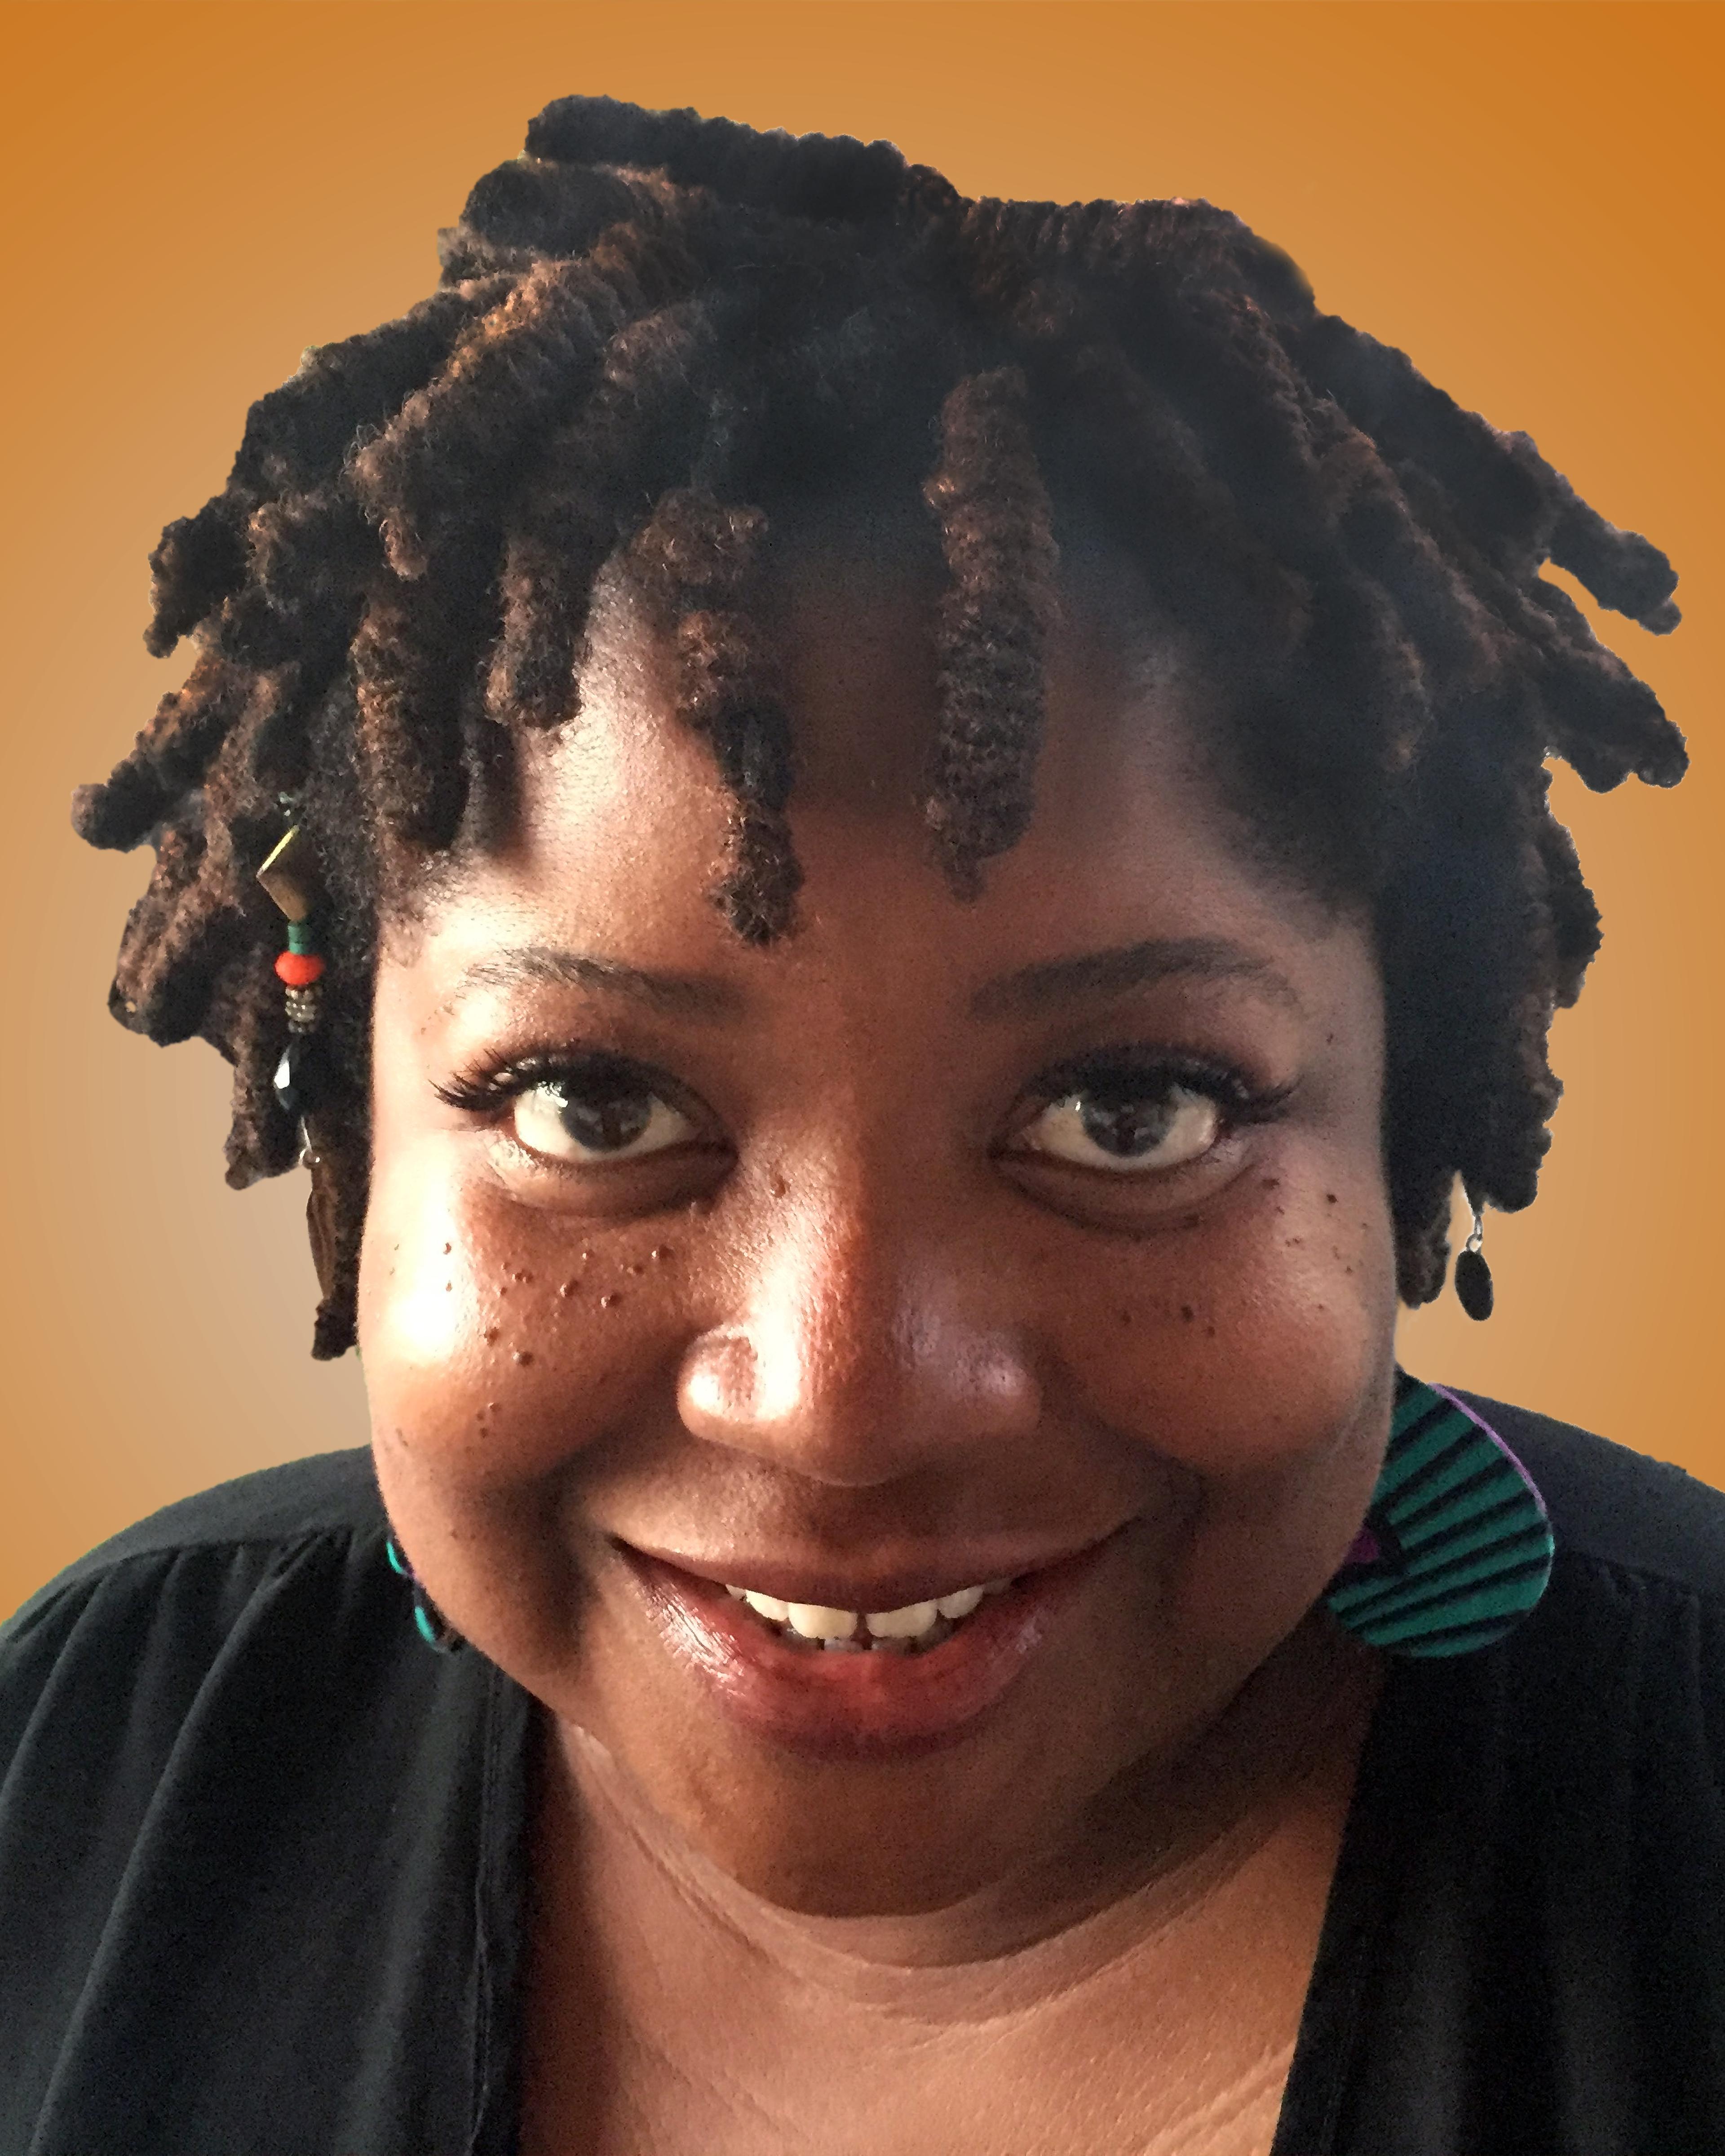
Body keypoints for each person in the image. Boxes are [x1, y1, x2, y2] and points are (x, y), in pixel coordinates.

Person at [3, 92, 1720, 2156]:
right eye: (593, 1101)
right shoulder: (89, 1752)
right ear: (345, 1109)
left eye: (1132, 1109)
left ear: (1399, 1116)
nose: (840, 1407)